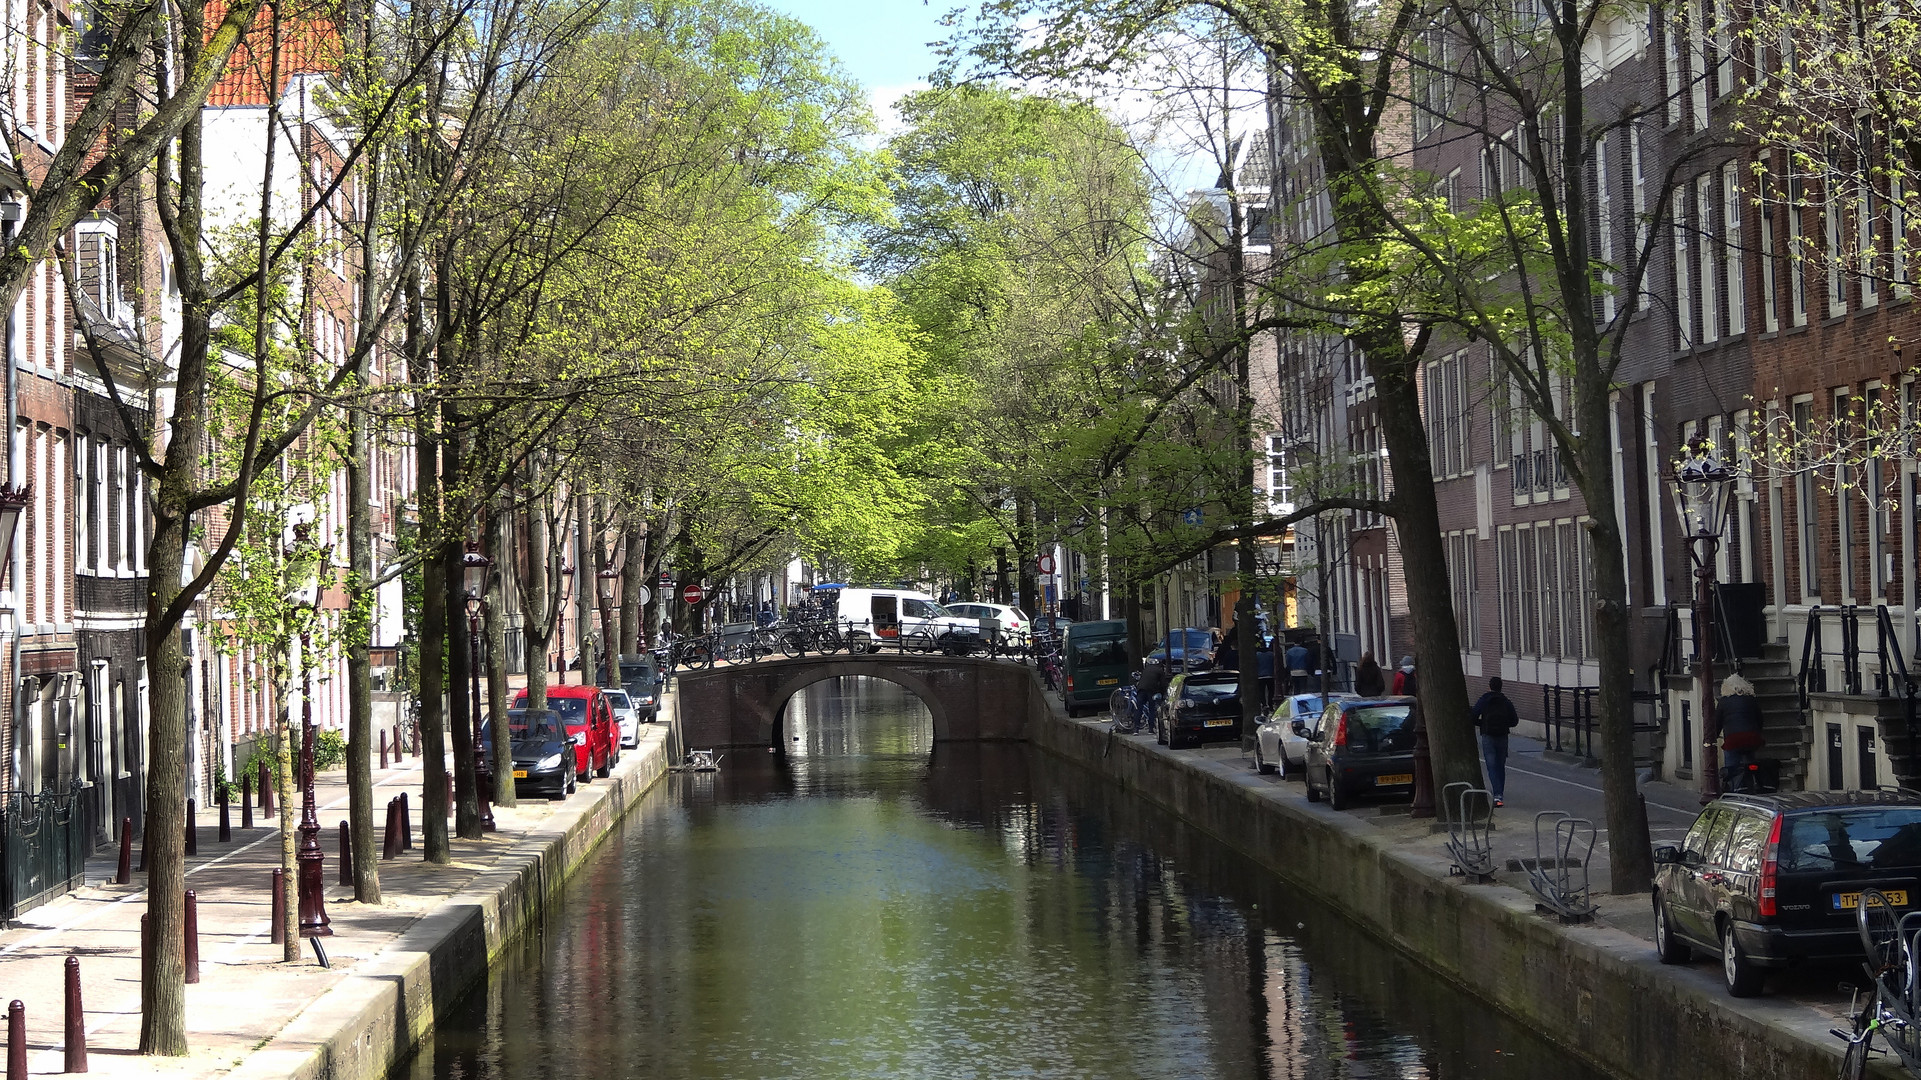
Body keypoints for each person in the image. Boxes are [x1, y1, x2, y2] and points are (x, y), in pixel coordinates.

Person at [1471, 676, 1520, 806]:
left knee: (1491, 766)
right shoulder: (1505, 701)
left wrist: (1482, 724)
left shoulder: (1484, 700)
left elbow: (1473, 715)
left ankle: (1497, 795)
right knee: (1500, 766)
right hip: (1503, 736)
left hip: (1488, 735)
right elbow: (1515, 721)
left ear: (1489, 686)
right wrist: (1504, 725)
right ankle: (1500, 794)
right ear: (1501, 687)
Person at [1718, 674, 1766, 789]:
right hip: (1752, 738)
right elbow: (1760, 719)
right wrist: (1757, 733)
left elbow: (1717, 722)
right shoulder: (1751, 700)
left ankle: (1733, 788)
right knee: (1751, 758)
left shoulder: (1723, 702)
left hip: (1733, 740)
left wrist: (1711, 738)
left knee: (1731, 767)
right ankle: (1755, 781)